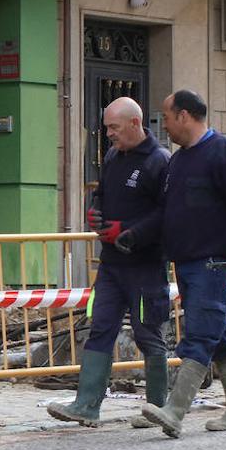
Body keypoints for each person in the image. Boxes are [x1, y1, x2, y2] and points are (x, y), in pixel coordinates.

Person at [141, 90, 226, 438]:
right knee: (218, 333)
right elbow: (169, 211)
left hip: (213, 262)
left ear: (184, 116)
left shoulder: (224, 152)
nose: (163, 125)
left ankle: (175, 410)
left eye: (166, 117)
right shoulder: (179, 161)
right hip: (187, 261)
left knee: (199, 333)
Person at [47, 97, 170, 428]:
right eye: (107, 128)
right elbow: (101, 193)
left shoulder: (159, 162)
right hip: (112, 265)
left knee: (148, 334)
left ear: (134, 123)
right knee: (100, 326)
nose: (109, 135)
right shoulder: (114, 157)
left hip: (145, 266)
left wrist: (132, 233)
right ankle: (87, 404)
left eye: (114, 128)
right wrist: (95, 211)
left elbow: (167, 213)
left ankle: (159, 407)